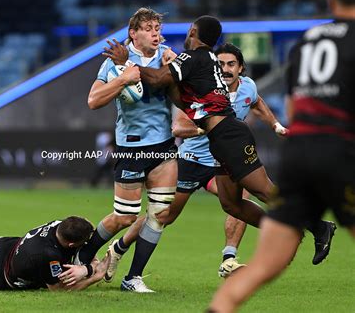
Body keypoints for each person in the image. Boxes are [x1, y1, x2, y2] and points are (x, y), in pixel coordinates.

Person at [103, 15, 336, 270]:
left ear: (192, 31)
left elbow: (159, 79)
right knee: (232, 204)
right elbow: (183, 100)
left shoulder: (193, 58)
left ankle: (318, 225)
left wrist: (127, 63)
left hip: (229, 135)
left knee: (264, 190)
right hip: (220, 139)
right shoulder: (209, 61)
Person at [209, 0, 355, 311]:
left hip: (299, 154)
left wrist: (276, 125)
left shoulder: (308, 40)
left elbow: (292, 105)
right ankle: (315, 225)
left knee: (264, 265)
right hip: (339, 151)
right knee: (238, 200)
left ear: (331, 1)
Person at [104, 43, 289, 281]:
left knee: (239, 200)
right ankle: (119, 248)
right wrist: (211, 128)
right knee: (164, 215)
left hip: (220, 162)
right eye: (220, 63)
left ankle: (229, 259)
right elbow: (178, 127)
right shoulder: (201, 88)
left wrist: (276, 125)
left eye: (231, 64)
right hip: (192, 161)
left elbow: (258, 104)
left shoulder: (248, 87)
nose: (225, 69)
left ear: (241, 68)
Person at [79, 7, 177, 293]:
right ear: (133, 33)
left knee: (160, 213)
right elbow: (93, 100)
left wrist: (176, 70)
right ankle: (85, 255)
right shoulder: (117, 62)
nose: (155, 32)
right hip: (132, 147)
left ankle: (133, 277)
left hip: (163, 146)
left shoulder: (168, 57)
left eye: (157, 27)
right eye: (148, 27)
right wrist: (122, 78)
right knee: (125, 216)